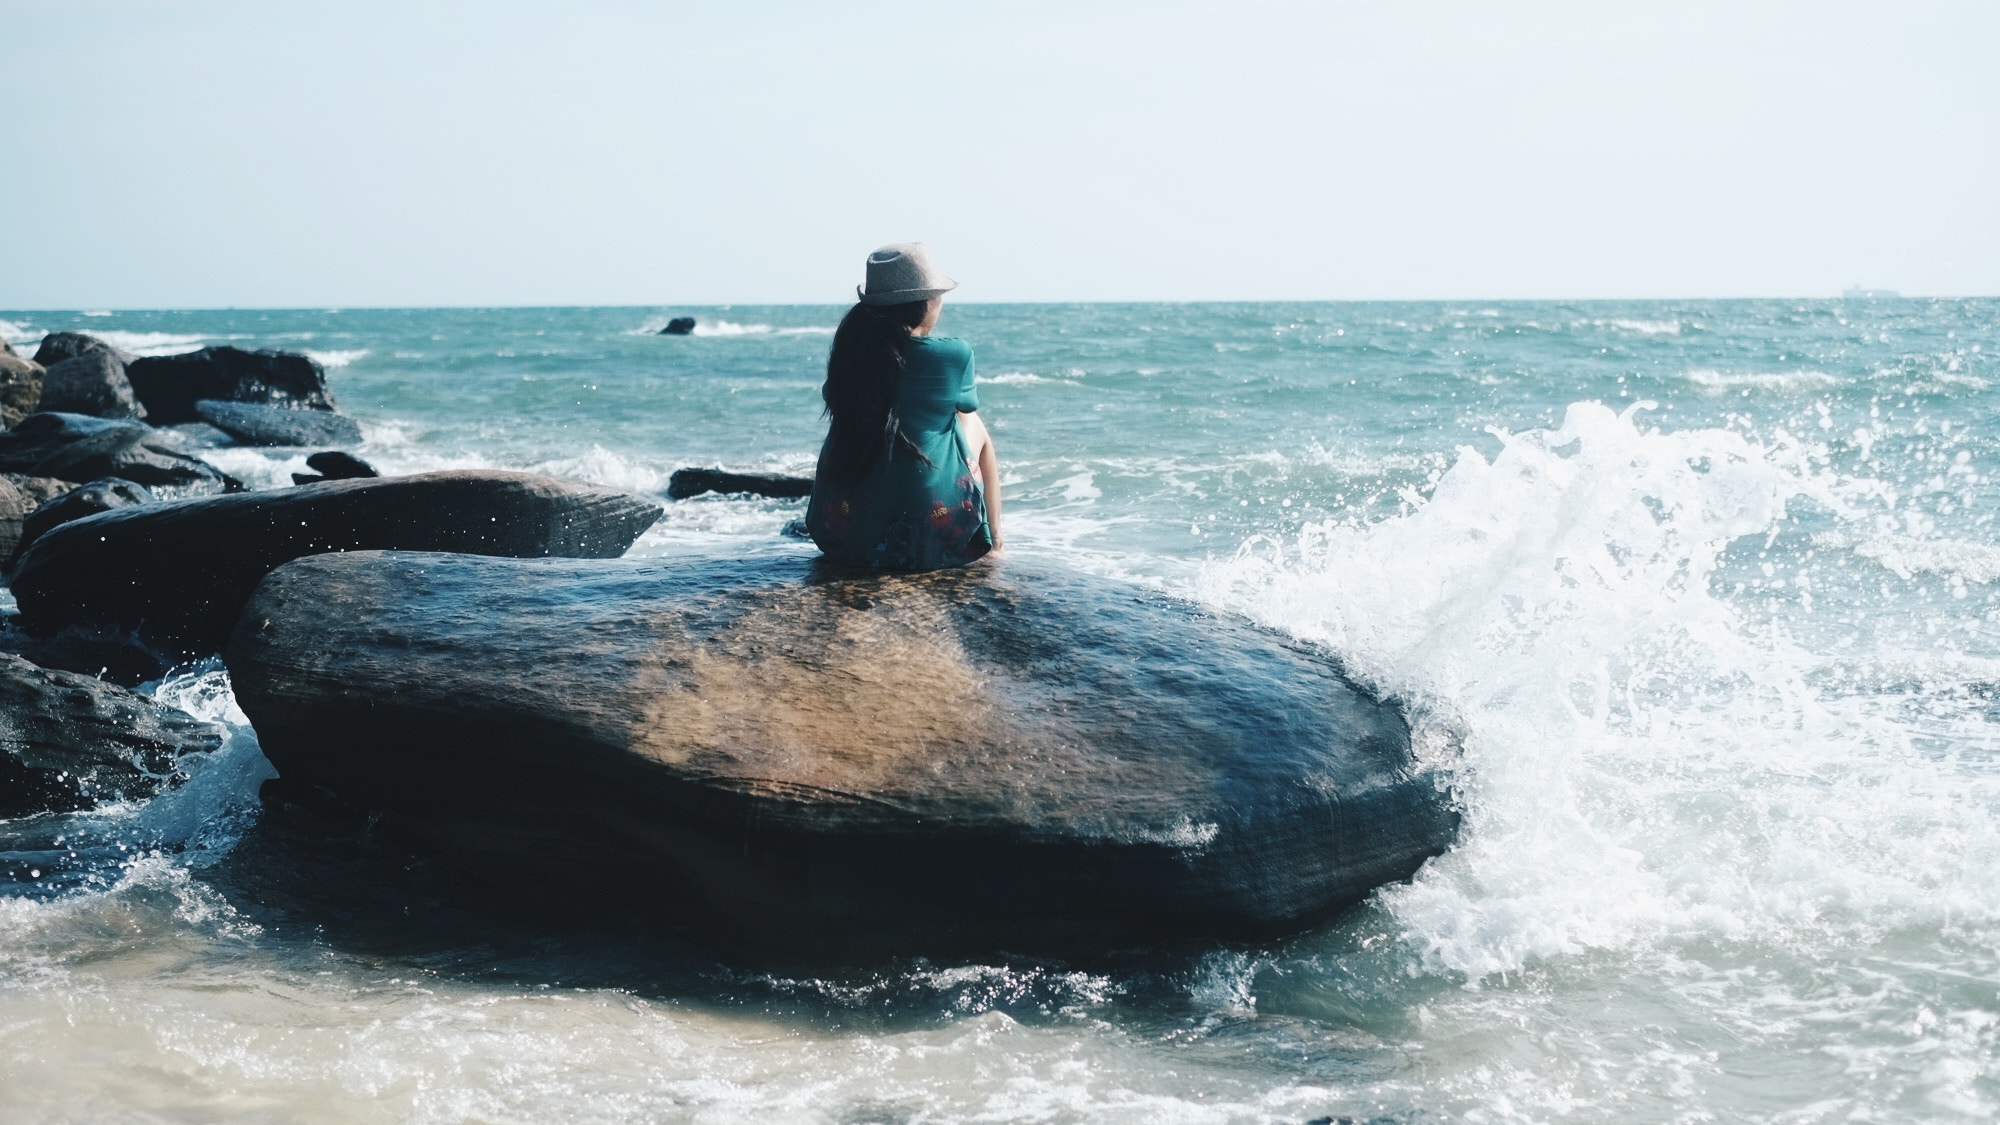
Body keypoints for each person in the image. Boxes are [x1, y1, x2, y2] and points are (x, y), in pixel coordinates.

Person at [805, 242, 1002, 569]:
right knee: (973, 423)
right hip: (931, 533)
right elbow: (963, 406)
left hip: (839, 531)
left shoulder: (849, 351)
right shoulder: (954, 354)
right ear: (926, 302)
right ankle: (996, 544)